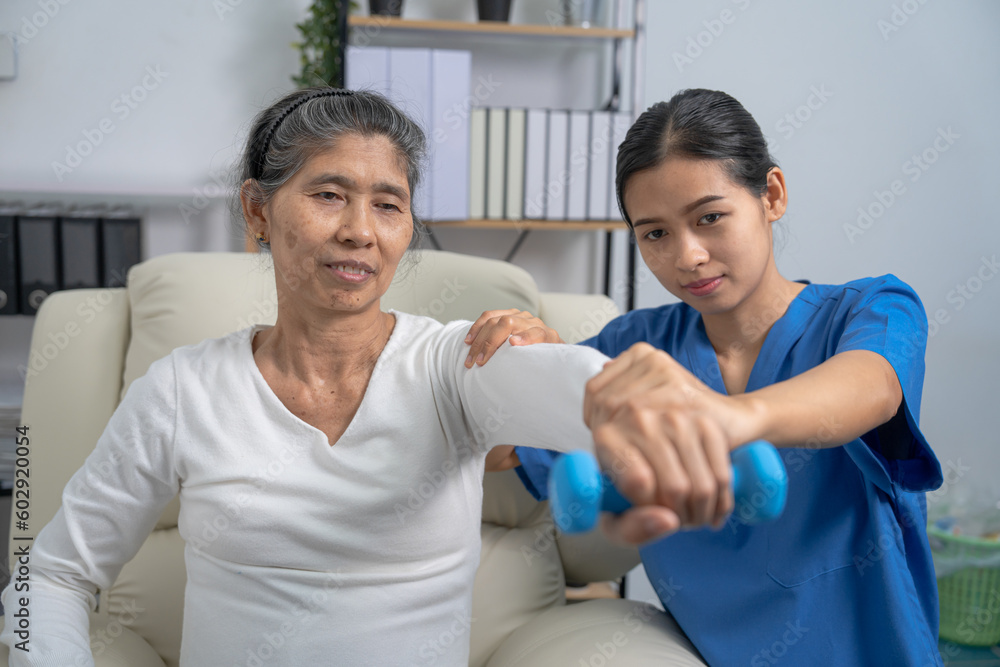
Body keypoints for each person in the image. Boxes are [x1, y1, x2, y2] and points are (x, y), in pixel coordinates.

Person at [0, 88, 702, 666]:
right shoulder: (183, 390)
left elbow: (566, 395)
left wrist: (625, 401)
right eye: (329, 194)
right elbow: (49, 575)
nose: (360, 230)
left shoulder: (452, 366)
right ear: (257, 211)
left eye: (388, 204)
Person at [466, 89, 945, 665]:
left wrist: (723, 417)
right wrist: (525, 366)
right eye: (656, 234)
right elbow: (496, 446)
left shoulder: (872, 308)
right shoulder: (631, 347)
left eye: (710, 217)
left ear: (771, 195)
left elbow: (871, 387)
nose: (687, 255)